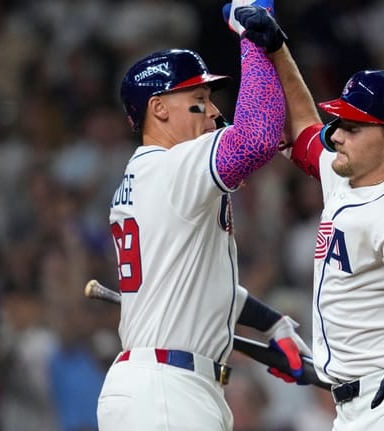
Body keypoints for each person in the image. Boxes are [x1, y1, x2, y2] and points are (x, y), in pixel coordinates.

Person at [233, 3, 384, 427]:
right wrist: (278, 49)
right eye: (340, 121)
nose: (336, 134)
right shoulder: (350, 174)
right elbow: (304, 130)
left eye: (352, 127)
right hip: (356, 404)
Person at [96, 7, 311, 431]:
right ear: (158, 109)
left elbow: (203, 284)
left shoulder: (150, 174)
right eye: (199, 101)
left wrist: (273, 324)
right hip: (166, 390)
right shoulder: (170, 167)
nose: (213, 111)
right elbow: (257, 139)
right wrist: (253, 38)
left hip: (162, 387)